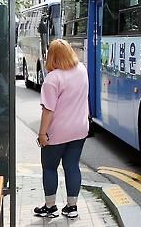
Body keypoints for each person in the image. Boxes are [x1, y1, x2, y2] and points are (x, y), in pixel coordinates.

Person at [33, 39, 89, 219]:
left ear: (52, 56)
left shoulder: (53, 78)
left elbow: (48, 111)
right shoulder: (81, 69)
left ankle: (50, 208)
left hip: (57, 133)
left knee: (49, 168)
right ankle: (72, 208)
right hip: (80, 129)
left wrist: (42, 134)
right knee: (72, 166)